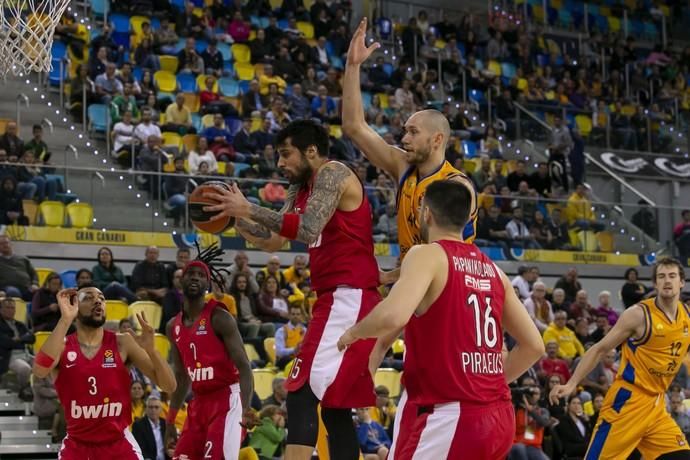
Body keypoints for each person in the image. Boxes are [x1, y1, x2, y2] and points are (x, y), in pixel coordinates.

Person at [203, 119, 382, 460]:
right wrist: (234, 219)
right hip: (338, 297)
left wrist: (249, 207)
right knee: (333, 405)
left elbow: (308, 227)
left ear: (311, 150)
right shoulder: (297, 189)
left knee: (299, 392)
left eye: (286, 154)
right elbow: (274, 241)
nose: (280, 163)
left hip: (349, 295)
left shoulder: (333, 173)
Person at [337, 180, 545, 459]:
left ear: (426, 214)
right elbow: (534, 346)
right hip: (497, 415)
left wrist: (353, 333)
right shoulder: (494, 270)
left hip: (452, 416)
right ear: (468, 219)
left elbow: (393, 314)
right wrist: (485, 384)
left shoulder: (427, 254)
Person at [341, 18, 477, 285]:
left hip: (445, 286)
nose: (404, 138)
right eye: (405, 131)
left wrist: (389, 277)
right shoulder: (403, 166)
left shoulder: (457, 186)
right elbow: (354, 126)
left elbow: (445, 258)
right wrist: (353, 66)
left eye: (413, 132)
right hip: (411, 281)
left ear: (437, 139)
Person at [550, 257, 690, 459]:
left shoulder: (686, 316)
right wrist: (572, 384)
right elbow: (599, 349)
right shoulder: (639, 315)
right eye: (661, 276)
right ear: (655, 283)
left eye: (672, 276)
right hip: (627, 402)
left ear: (682, 282)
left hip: (657, 404)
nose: (667, 281)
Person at [32, 286, 176, 459]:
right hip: (77, 446)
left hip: (119, 445)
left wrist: (152, 351)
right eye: (89, 298)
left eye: (101, 298)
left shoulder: (122, 342)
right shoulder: (62, 346)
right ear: (75, 307)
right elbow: (39, 371)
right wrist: (65, 320)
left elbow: (169, 385)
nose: (98, 301)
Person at [164, 247, 255, 460]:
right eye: (190, 274)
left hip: (227, 400)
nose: (195, 278)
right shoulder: (172, 326)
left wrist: (247, 407)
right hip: (198, 403)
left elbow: (244, 367)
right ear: (181, 280)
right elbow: (181, 376)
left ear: (208, 284)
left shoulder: (220, 317)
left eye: (201, 275)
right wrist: (170, 419)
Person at [0, 297, 35, 399]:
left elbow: (32, 338)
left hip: (26, 353)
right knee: (25, 369)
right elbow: (6, 343)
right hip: (10, 356)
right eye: (7, 307)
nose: (10, 310)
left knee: (46, 364)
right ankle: (24, 390)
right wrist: (22, 339)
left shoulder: (20, 325)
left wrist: (18, 339)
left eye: (12, 308)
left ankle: (42, 392)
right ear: (1, 309)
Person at [131, 395, 172, 460]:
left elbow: (171, 443)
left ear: (161, 409)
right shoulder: (138, 425)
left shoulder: (165, 424)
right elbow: (139, 448)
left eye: (156, 407)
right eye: (150, 407)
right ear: (146, 409)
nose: (153, 410)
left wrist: (171, 450)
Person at [275, 304, 307, 369]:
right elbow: (279, 352)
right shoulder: (281, 331)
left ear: (301, 316)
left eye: (298, 314)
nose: (295, 316)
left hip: (300, 359)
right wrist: (294, 350)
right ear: (289, 315)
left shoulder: (305, 330)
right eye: (293, 314)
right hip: (286, 360)